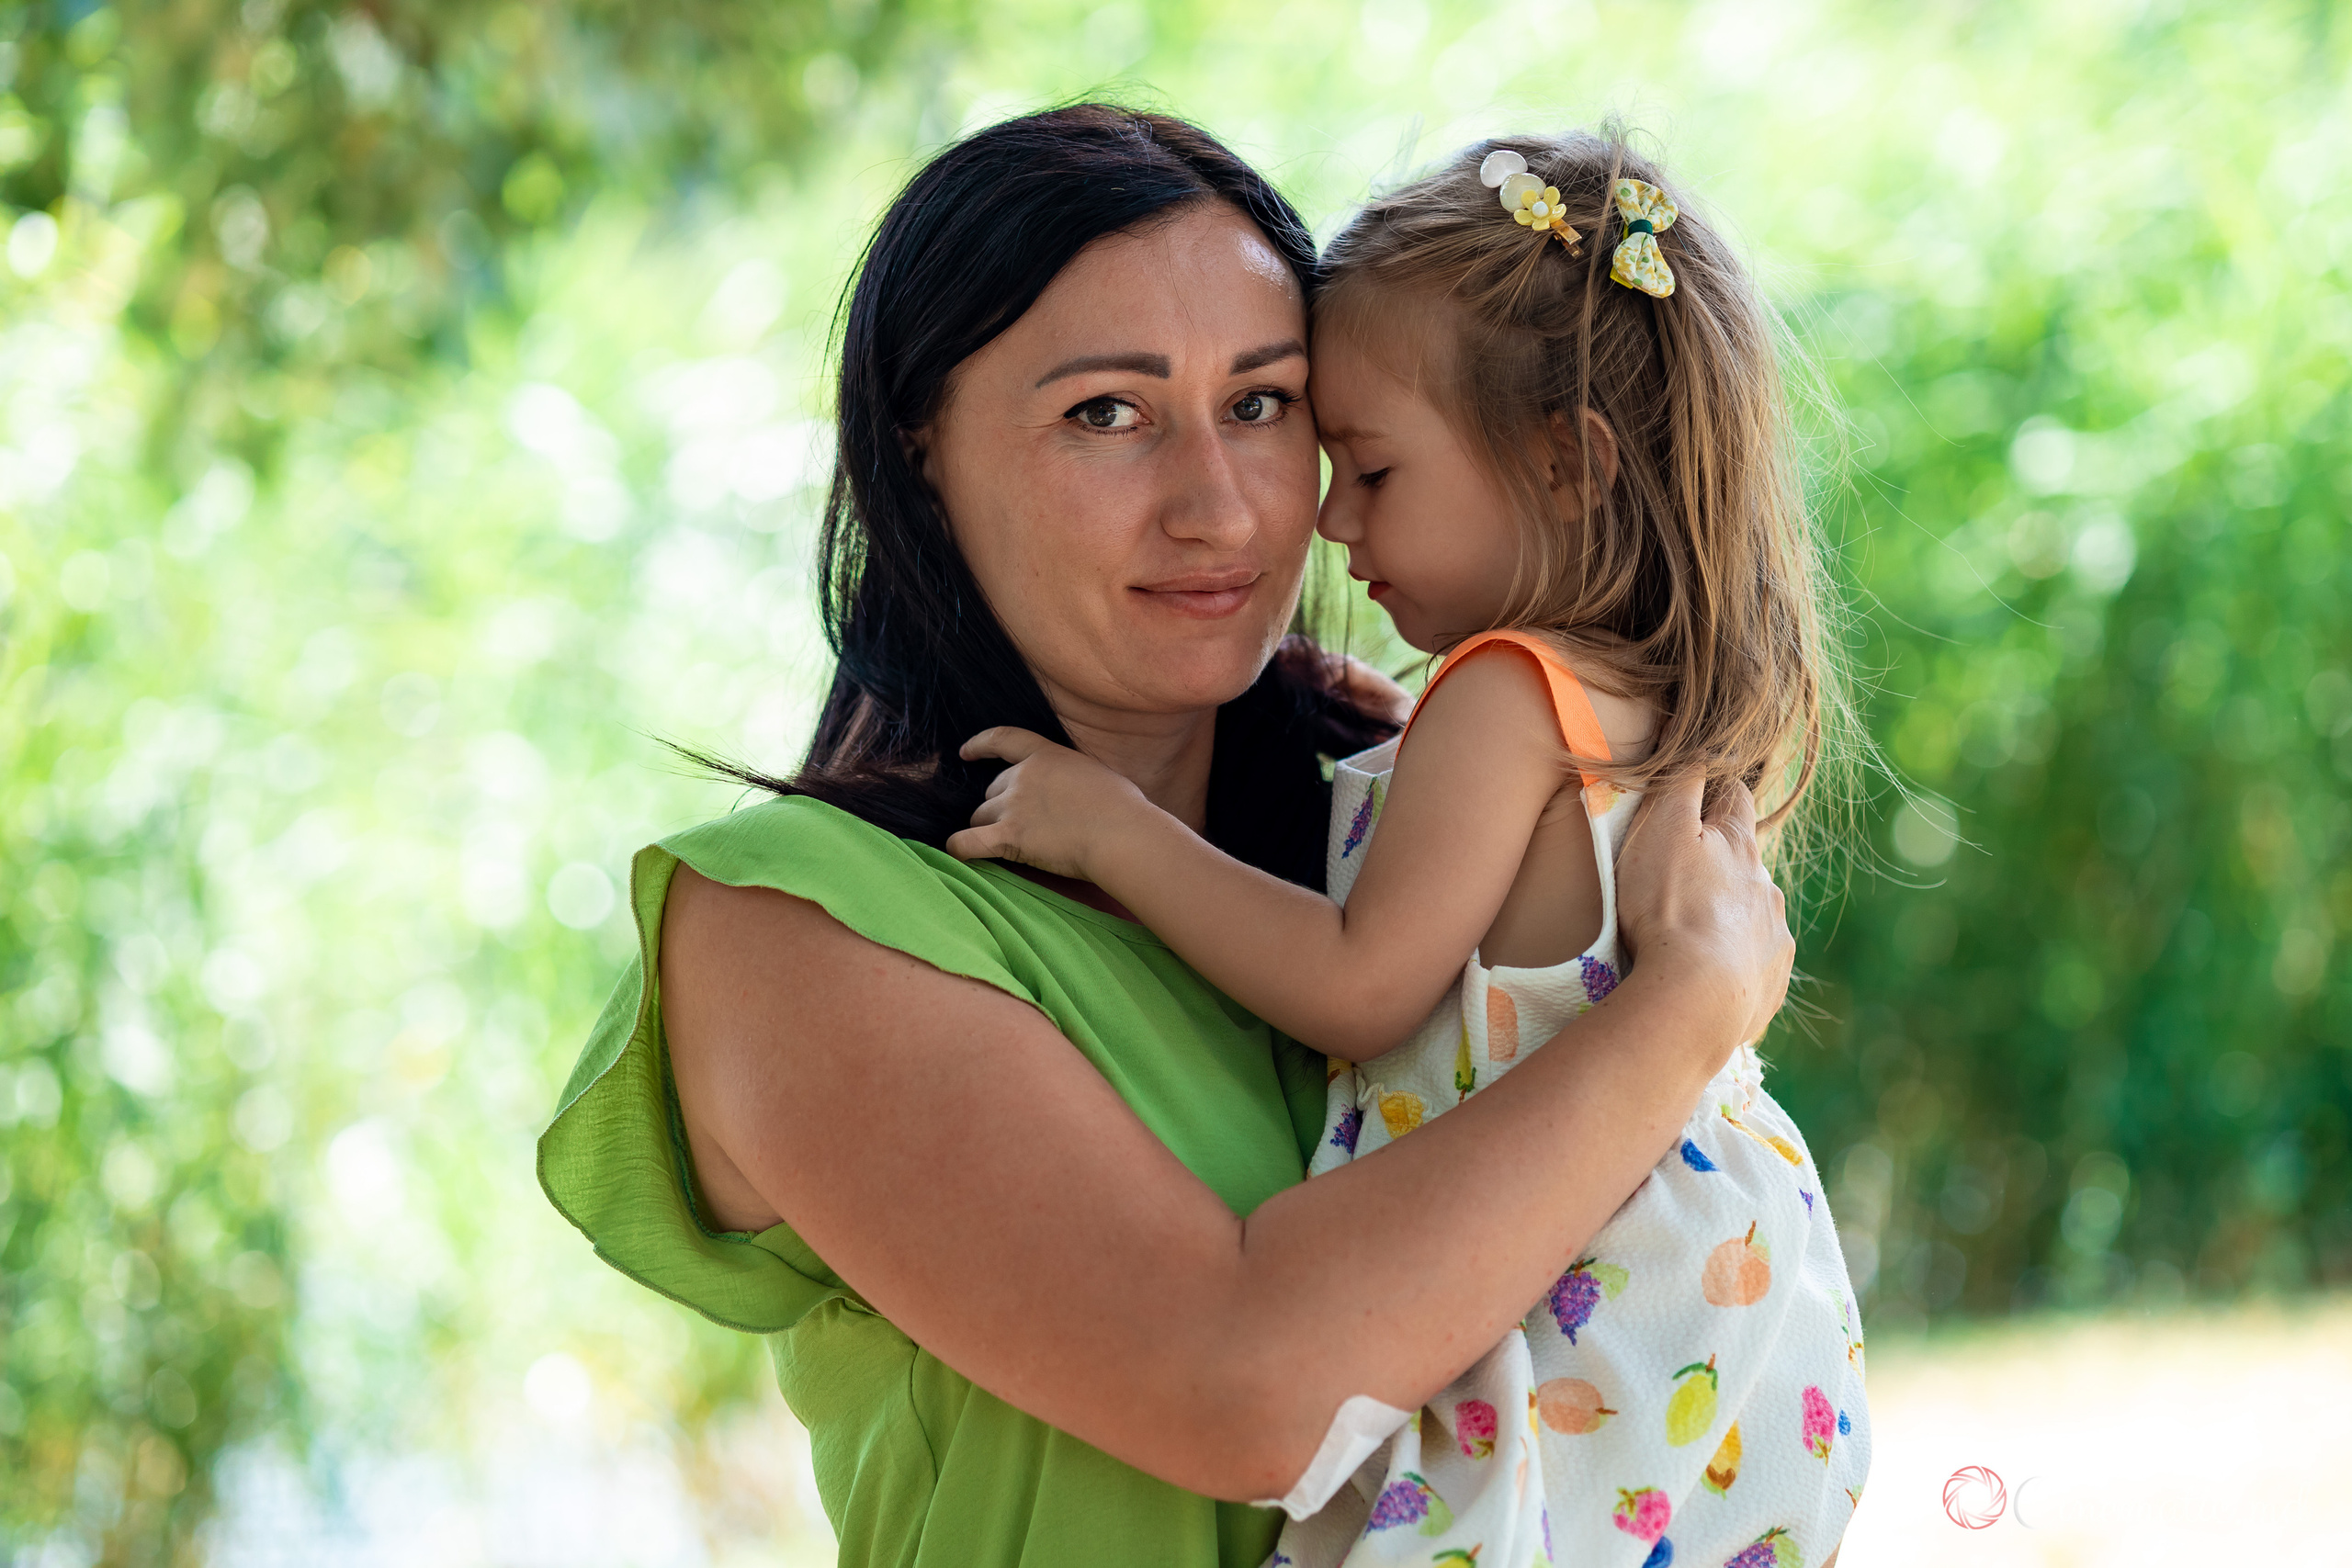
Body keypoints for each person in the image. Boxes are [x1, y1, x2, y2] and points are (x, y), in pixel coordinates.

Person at [537, 105, 1794, 1568]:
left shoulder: (1399, 800)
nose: (1223, 509)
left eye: (1263, 404)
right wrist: (1683, 1013)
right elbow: (1243, 1392)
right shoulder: (792, 932)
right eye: (1107, 415)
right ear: (920, 447)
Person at [948, 130, 1867, 1568]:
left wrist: (1106, 828)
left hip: (1575, 1296)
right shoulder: (1638, 686)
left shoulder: (1504, 694)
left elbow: (1359, 984)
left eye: (1370, 468)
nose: (1324, 516)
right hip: (1726, 1301)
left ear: (1567, 465)